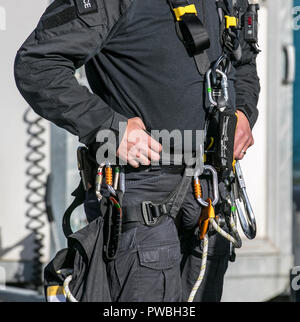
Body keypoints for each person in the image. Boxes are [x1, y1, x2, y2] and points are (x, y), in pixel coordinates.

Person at [14, 0, 260, 302]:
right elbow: (37, 64)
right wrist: (108, 127)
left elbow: (243, 61)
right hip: (140, 187)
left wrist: (245, 112)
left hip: (209, 192)